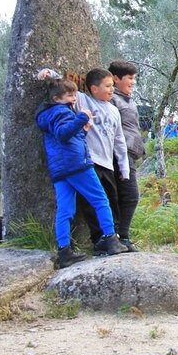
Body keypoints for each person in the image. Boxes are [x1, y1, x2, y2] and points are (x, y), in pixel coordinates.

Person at [34, 71, 126, 267]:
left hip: (60, 170)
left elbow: (67, 138)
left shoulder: (47, 115)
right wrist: (81, 119)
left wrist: (81, 132)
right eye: (69, 96)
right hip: (76, 164)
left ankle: (64, 251)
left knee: (65, 210)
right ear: (56, 98)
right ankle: (111, 239)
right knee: (100, 199)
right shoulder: (62, 112)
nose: (74, 99)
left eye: (75, 95)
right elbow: (62, 134)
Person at [73, 67, 132, 250]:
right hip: (90, 161)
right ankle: (98, 239)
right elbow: (64, 88)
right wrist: (47, 73)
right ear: (93, 88)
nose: (111, 89)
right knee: (91, 203)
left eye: (112, 86)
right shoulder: (84, 101)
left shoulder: (114, 110)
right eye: (107, 86)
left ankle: (113, 237)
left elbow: (119, 141)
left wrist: (124, 168)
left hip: (108, 164)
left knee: (111, 200)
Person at [108, 60, 145, 252]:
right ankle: (121, 237)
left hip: (130, 152)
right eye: (130, 78)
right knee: (130, 195)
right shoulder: (112, 99)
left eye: (134, 78)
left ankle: (121, 237)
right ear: (115, 78)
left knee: (125, 196)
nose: (133, 82)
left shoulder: (127, 99)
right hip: (119, 153)